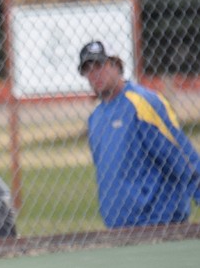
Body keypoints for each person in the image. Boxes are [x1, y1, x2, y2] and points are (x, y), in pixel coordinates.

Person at [79, 40, 200, 228]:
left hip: (159, 223)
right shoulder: (95, 118)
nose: (95, 74)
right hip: (117, 229)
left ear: (116, 65)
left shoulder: (142, 103)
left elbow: (183, 158)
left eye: (100, 65)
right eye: (88, 69)